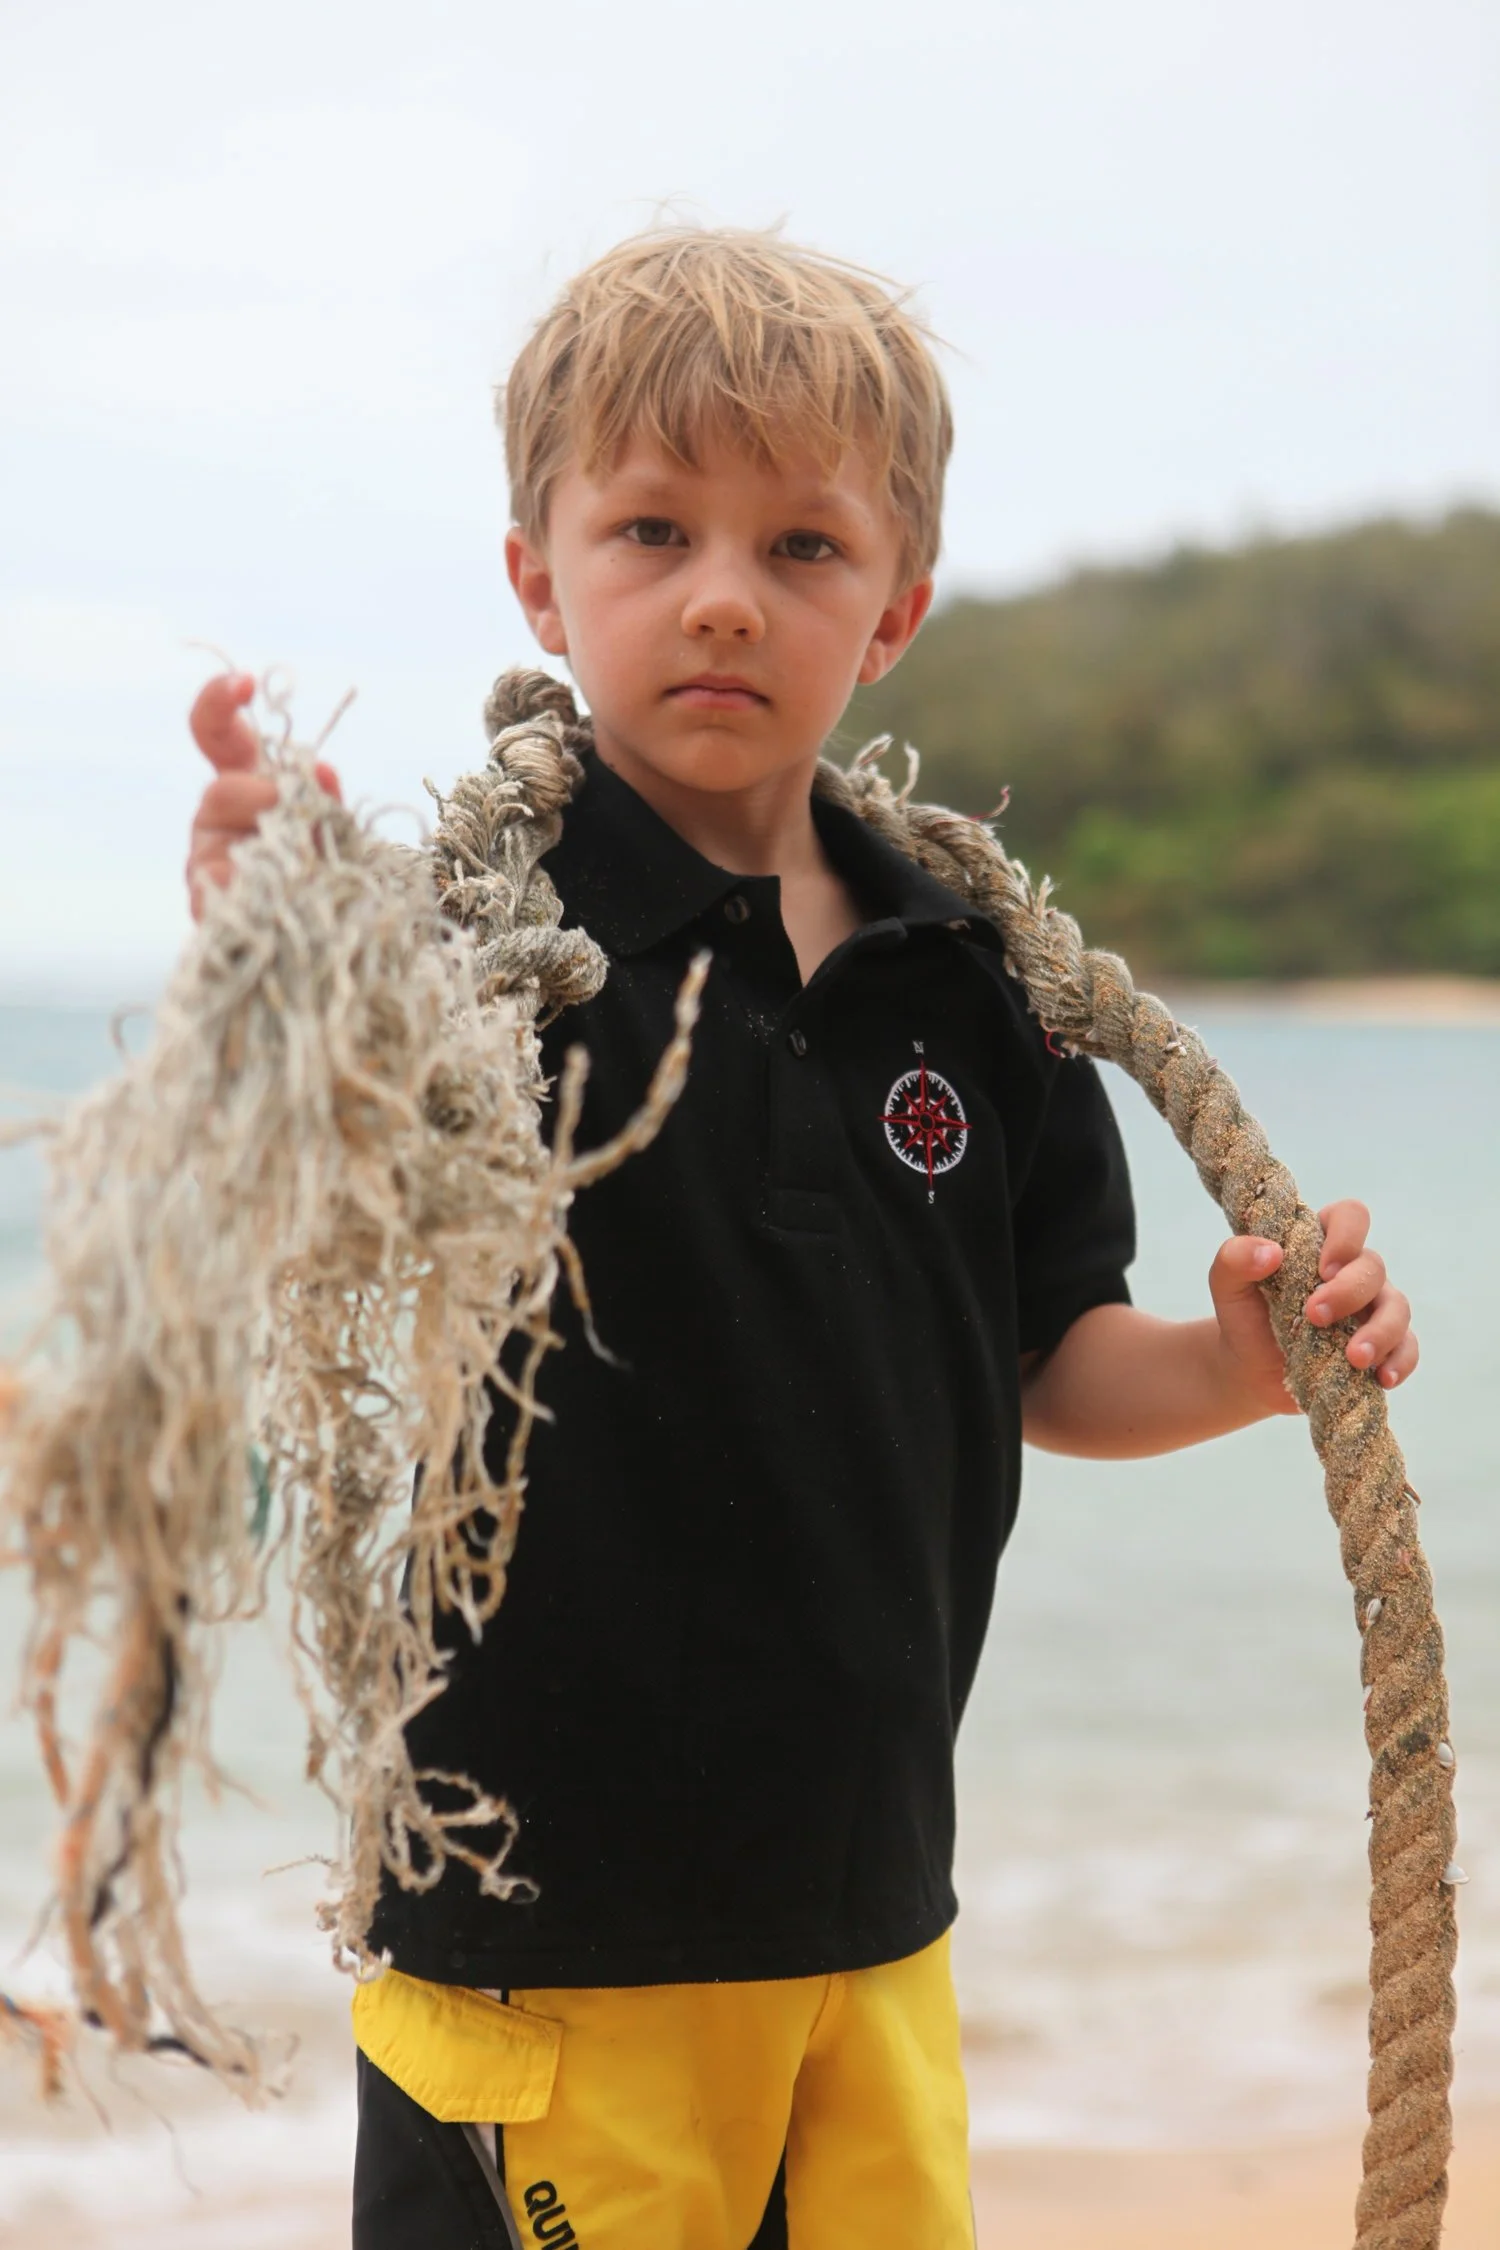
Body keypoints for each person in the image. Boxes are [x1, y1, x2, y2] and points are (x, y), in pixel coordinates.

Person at [183, 228, 1418, 2250]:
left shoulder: (974, 979)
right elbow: (306, 1161)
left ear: (895, 608)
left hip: (870, 1925)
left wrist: (1235, 1363)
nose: (724, 596)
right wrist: (267, 955)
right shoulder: (484, 952)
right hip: (551, 1945)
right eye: (652, 530)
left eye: (805, 547)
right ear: (540, 576)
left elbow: (1045, 1353)